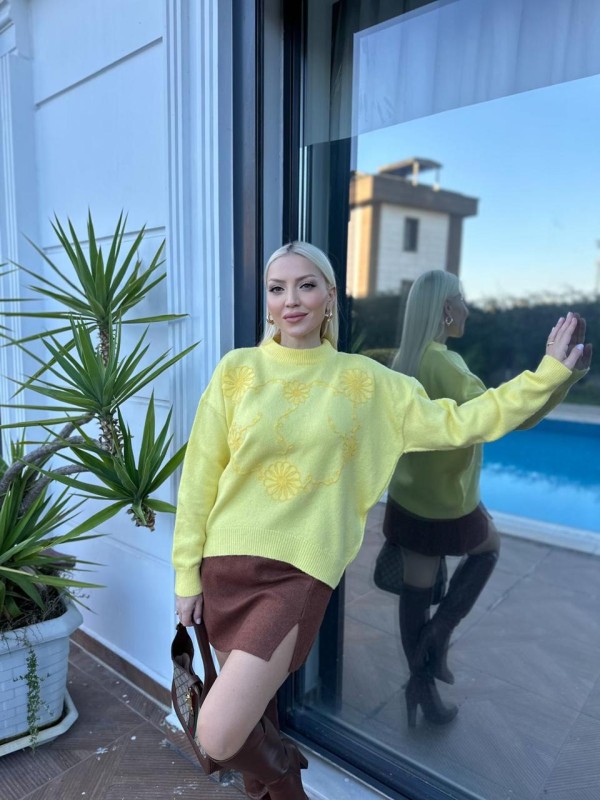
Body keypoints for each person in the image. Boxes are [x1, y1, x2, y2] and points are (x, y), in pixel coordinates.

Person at [172, 242, 587, 800]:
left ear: (329, 297)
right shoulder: (236, 370)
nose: (290, 300)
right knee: (252, 718)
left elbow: (465, 421)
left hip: (295, 575)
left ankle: (284, 762)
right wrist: (186, 575)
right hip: (223, 569)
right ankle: (284, 783)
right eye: (277, 288)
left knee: (219, 734)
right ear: (266, 301)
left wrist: (548, 375)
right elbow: (200, 477)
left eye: (306, 285)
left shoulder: (365, 383)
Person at [383, 269, 592, 729]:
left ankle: (420, 687)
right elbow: (511, 417)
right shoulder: (448, 365)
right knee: (488, 548)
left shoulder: (404, 360)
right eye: (461, 300)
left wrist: (561, 380)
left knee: (415, 594)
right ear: (446, 309)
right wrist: (560, 376)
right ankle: (439, 636)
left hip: (409, 501)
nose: (468, 309)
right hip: (447, 506)